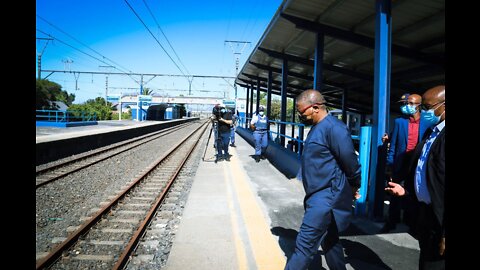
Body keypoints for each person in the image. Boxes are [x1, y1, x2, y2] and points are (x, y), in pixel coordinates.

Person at [285, 89, 361, 270]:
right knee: (331, 241)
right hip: (316, 195)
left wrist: (354, 186)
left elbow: (350, 162)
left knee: (303, 248)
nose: (299, 115)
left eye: (301, 111)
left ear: (316, 107)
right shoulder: (317, 127)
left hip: (326, 198)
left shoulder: (334, 128)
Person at [385, 85, 445, 270]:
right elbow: (425, 169)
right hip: (426, 215)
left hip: (440, 219)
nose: (425, 111)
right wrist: (408, 190)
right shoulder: (432, 132)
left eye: (428, 107)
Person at [381, 93, 428, 232]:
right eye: (406, 103)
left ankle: (412, 222)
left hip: (419, 164)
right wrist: (390, 165)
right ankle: (392, 221)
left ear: (419, 106)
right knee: (395, 194)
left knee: (414, 193)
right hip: (401, 163)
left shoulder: (428, 121)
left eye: (411, 104)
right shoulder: (399, 122)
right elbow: (393, 146)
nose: (407, 106)